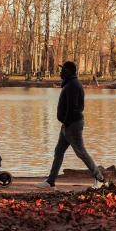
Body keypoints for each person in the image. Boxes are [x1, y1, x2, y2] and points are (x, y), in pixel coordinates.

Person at [36, 61, 106, 190]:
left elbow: (73, 107)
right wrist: (65, 123)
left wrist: (67, 122)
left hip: (72, 124)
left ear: (68, 72)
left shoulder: (73, 85)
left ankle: (100, 179)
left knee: (81, 152)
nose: (60, 72)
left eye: (63, 70)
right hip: (67, 124)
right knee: (59, 152)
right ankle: (50, 182)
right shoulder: (69, 84)